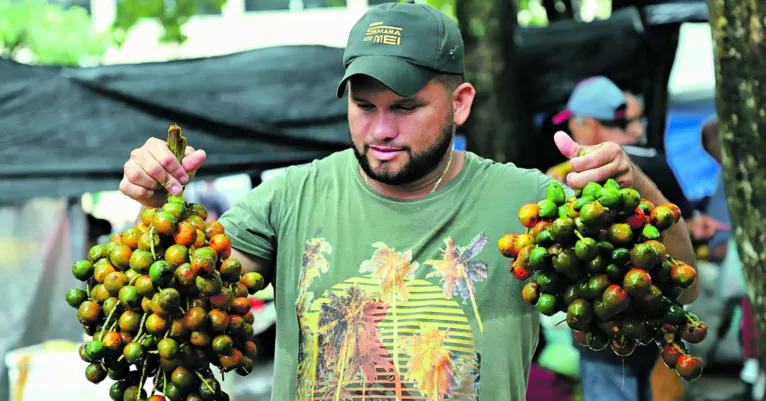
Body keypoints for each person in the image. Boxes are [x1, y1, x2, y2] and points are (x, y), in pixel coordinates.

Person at [118, 2, 699, 400]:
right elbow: (191, 296)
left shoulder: (531, 203)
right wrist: (157, 203)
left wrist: (640, 194)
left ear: (461, 103)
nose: (380, 130)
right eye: (364, 106)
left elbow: (680, 289)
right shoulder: (289, 198)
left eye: (405, 107)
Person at [547, 76, 695, 401]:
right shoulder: (659, 164)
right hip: (659, 324)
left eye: (573, 122)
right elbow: (687, 230)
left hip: (604, 331)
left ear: (588, 124)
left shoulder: (573, 177)